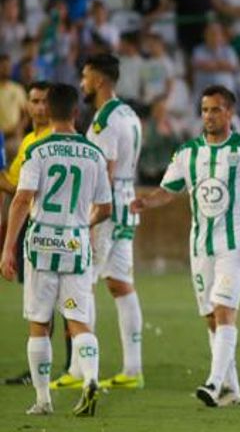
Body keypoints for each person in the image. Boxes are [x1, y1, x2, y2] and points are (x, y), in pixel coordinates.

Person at [131, 85, 240, 407]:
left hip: (234, 245)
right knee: (211, 317)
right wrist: (146, 202)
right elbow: (168, 190)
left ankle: (214, 383)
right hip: (200, 246)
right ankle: (232, 389)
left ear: (230, 113)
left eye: (215, 109)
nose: (209, 116)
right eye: (205, 110)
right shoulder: (187, 153)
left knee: (223, 310)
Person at [1, 82, 112, 416]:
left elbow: (22, 200)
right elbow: (105, 208)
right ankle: (90, 379)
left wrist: (7, 248)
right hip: (76, 242)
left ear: (47, 111)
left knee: (39, 322)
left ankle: (43, 400)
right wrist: (82, 224)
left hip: (41, 243)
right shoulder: (94, 154)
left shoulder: (38, 151)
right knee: (78, 320)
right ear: (76, 112)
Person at [57, 54, 145, 391]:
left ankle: (80, 370)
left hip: (107, 207)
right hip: (127, 201)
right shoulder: (129, 113)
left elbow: (103, 172)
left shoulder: (104, 119)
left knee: (84, 281)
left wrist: (91, 215)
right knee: (121, 283)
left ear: (99, 80)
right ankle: (133, 370)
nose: (82, 83)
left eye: (85, 76)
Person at [0, 82, 50, 387]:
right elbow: (16, 185)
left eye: (45, 101)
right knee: (44, 301)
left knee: (51, 301)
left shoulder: (48, 141)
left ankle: (66, 367)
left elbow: (24, 194)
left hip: (44, 227)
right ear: (27, 106)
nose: (40, 107)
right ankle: (47, 369)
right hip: (30, 226)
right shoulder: (29, 140)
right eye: (35, 101)